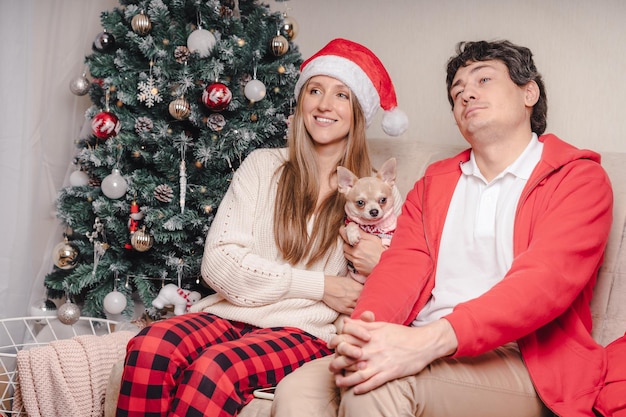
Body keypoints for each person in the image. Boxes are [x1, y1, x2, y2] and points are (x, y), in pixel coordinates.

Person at [272, 40, 613, 417]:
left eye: (483, 79)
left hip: (525, 362)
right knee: (296, 391)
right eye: (457, 91)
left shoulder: (579, 179)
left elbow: (543, 284)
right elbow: (401, 267)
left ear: (528, 92)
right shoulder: (434, 183)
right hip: (420, 340)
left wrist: (426, 343)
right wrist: (364, 333)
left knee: (374, 386)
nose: (466, 92)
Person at [114, 38, 407, 417]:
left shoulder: (375, 196)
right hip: (226, 313)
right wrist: (320, 285)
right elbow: (219, 264)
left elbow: (395, 273)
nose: (323, 105)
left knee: (214, 370)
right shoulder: (262, 165)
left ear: (358, 113)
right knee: (150, 346)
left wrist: (378, 261)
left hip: (303, 330)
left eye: (341, 96)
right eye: (315, 90)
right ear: (301, 102)